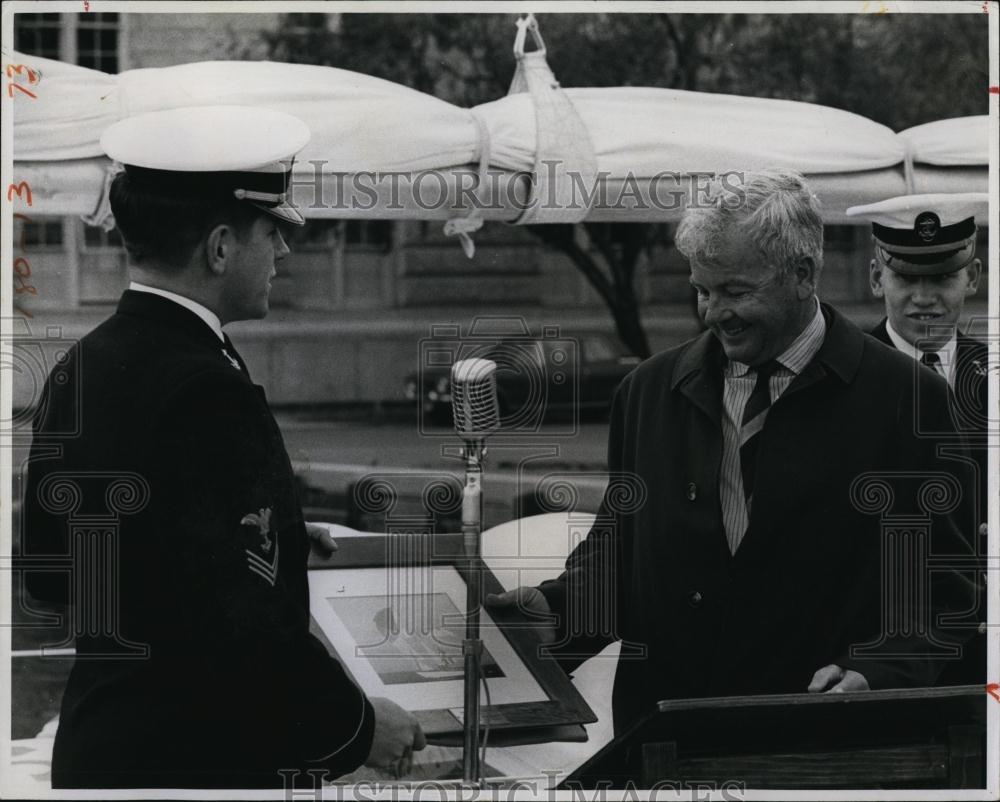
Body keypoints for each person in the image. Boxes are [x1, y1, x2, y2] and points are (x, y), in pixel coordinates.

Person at [489, 170, 977, 735]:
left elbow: (946, 586)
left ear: (803, 274)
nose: (714, 311)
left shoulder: (907, 398)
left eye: (737, 292)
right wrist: (553, 615)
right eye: (702, 289)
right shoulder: (647, 392)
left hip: (822, 752)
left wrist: (879, 671)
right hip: (663, 743)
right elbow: (620, 558)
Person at [20, 106, 424, 788]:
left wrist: (278, 538)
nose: (285, 254)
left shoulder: (78, 367)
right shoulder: (209, 389)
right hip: (203, 759)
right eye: (272, 232)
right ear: (219, 247)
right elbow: (249, 631)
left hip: (101, 751)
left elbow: (53, 576)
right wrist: (358, 728)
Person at [847, 192, 989, 685]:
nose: (924, 298)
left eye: (943, 277)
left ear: (972, 277)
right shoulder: (842, 383)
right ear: (875, 277)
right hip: (874, 657)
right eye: (906, 277)